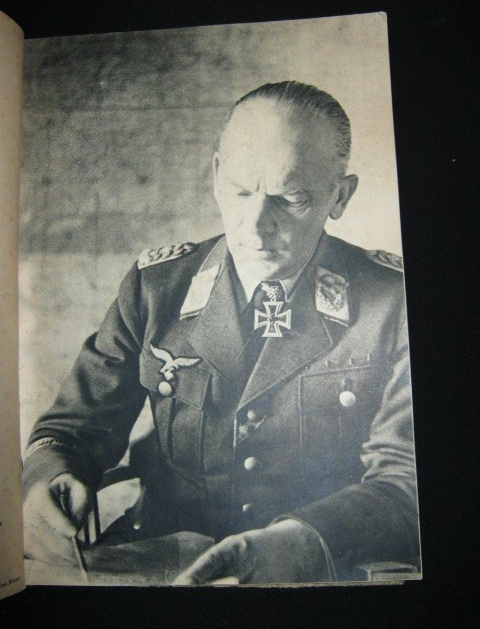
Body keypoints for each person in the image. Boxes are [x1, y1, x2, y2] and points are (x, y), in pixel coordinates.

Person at [22, 81, 420, 584]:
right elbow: (71, 430)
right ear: (215, 177)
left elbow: (410, 475)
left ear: (339, 196)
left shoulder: (395, 302)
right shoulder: (157, 287)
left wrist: (307, 538)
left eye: (290, 198)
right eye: (240, 191)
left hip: (320, 569)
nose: (256, 225)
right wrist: (48, 477)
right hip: (166, 557)